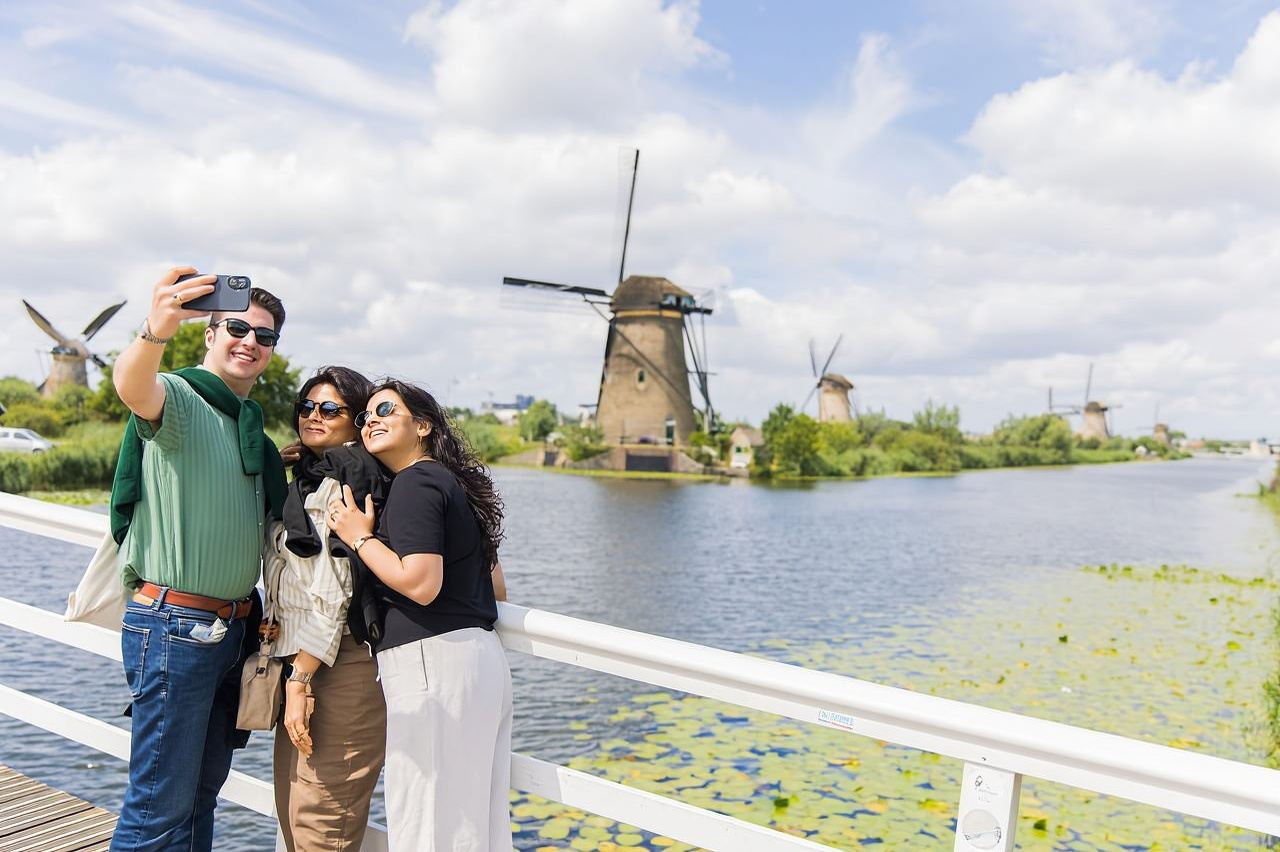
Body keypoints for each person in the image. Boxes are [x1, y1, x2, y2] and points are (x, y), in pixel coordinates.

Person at [108, 267, 287, 852]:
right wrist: (156, 330)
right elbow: (134, 387)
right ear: (209, 334)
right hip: (176, 629)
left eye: (265, 337)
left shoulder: (253, 432)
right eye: (237, 327)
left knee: (199, 799)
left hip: (232, 630)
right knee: (157, 809)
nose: (250, 342)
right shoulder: (181, 401)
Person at [329, 379, 512, 852]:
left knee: (425, 817)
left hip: (431, 660)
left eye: (386, 409)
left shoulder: (415, 482)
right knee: (474, 818)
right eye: (365, 415)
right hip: (477, 658)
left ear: (424, 425)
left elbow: (421, 583)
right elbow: (498, 587)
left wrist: (359, 536)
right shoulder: (452, 485)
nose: (371, 419)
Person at [264, 366, 389, 851]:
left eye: (331, 409)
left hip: (339, 662)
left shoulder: (350, 479)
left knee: (321, 825)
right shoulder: (310, 477)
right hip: (301, 659)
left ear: (356, 420)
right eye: (307, 407)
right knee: (293, 813)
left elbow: (336, 588)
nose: (314, 415)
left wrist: (301, 679)